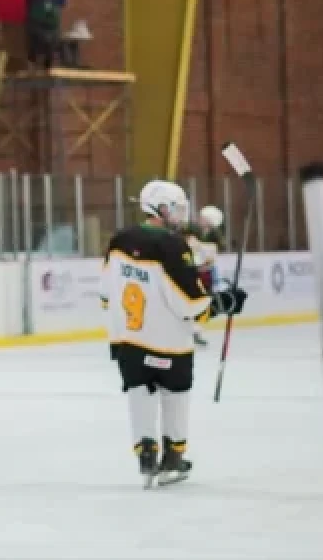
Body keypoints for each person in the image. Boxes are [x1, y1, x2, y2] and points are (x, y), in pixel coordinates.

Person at [100, 180, 247, 487]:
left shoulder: (118, 240)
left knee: (138, 391)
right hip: (168, 342)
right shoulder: (171, 245)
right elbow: (189, 302)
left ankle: (145, 453)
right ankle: (173, 456)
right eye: (177, 207)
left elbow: (105, 293)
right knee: (175, 394)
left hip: (128, 339)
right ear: (161, 208)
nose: (181, 214)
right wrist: (222, 304)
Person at [183, 205, 225, 347]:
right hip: (191, 273)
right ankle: (188, 331)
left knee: (202, 305)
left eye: (203, 218)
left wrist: (198, 246)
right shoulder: (192, 232)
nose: (200, 219)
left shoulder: (213, 238)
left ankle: (196, 332)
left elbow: (209, 257)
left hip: (204, 274)